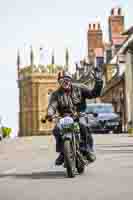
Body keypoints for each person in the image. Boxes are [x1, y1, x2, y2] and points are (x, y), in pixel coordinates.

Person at [46, 70, 103, 165]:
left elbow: (94, 94)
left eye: (67, 79)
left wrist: (98, 81)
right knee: (56, 129)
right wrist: (49, 114)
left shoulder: (80, 88)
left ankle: (87, 150)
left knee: (83, 125)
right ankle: (62, 152)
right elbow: (52, 106)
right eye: (62, 80)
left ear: (70, 80)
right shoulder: (56, 94)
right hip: (65, 117)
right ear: (59, 82)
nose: (65, 82)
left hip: (80, 115)